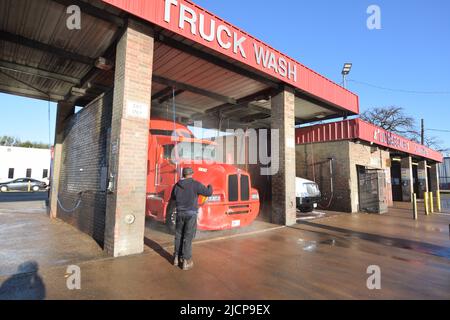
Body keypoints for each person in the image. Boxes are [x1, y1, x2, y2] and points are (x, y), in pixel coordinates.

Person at [171, 167, 213, 271]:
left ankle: (176, 258)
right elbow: (208, 192)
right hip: (191, 214)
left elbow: (173, 197)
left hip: (180, 213)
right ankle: (186, 261)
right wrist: (210, 186)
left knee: (178, 236)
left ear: (183, 174)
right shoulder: (195, 184)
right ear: (192, 174)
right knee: (188, 238)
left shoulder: (177, 185)